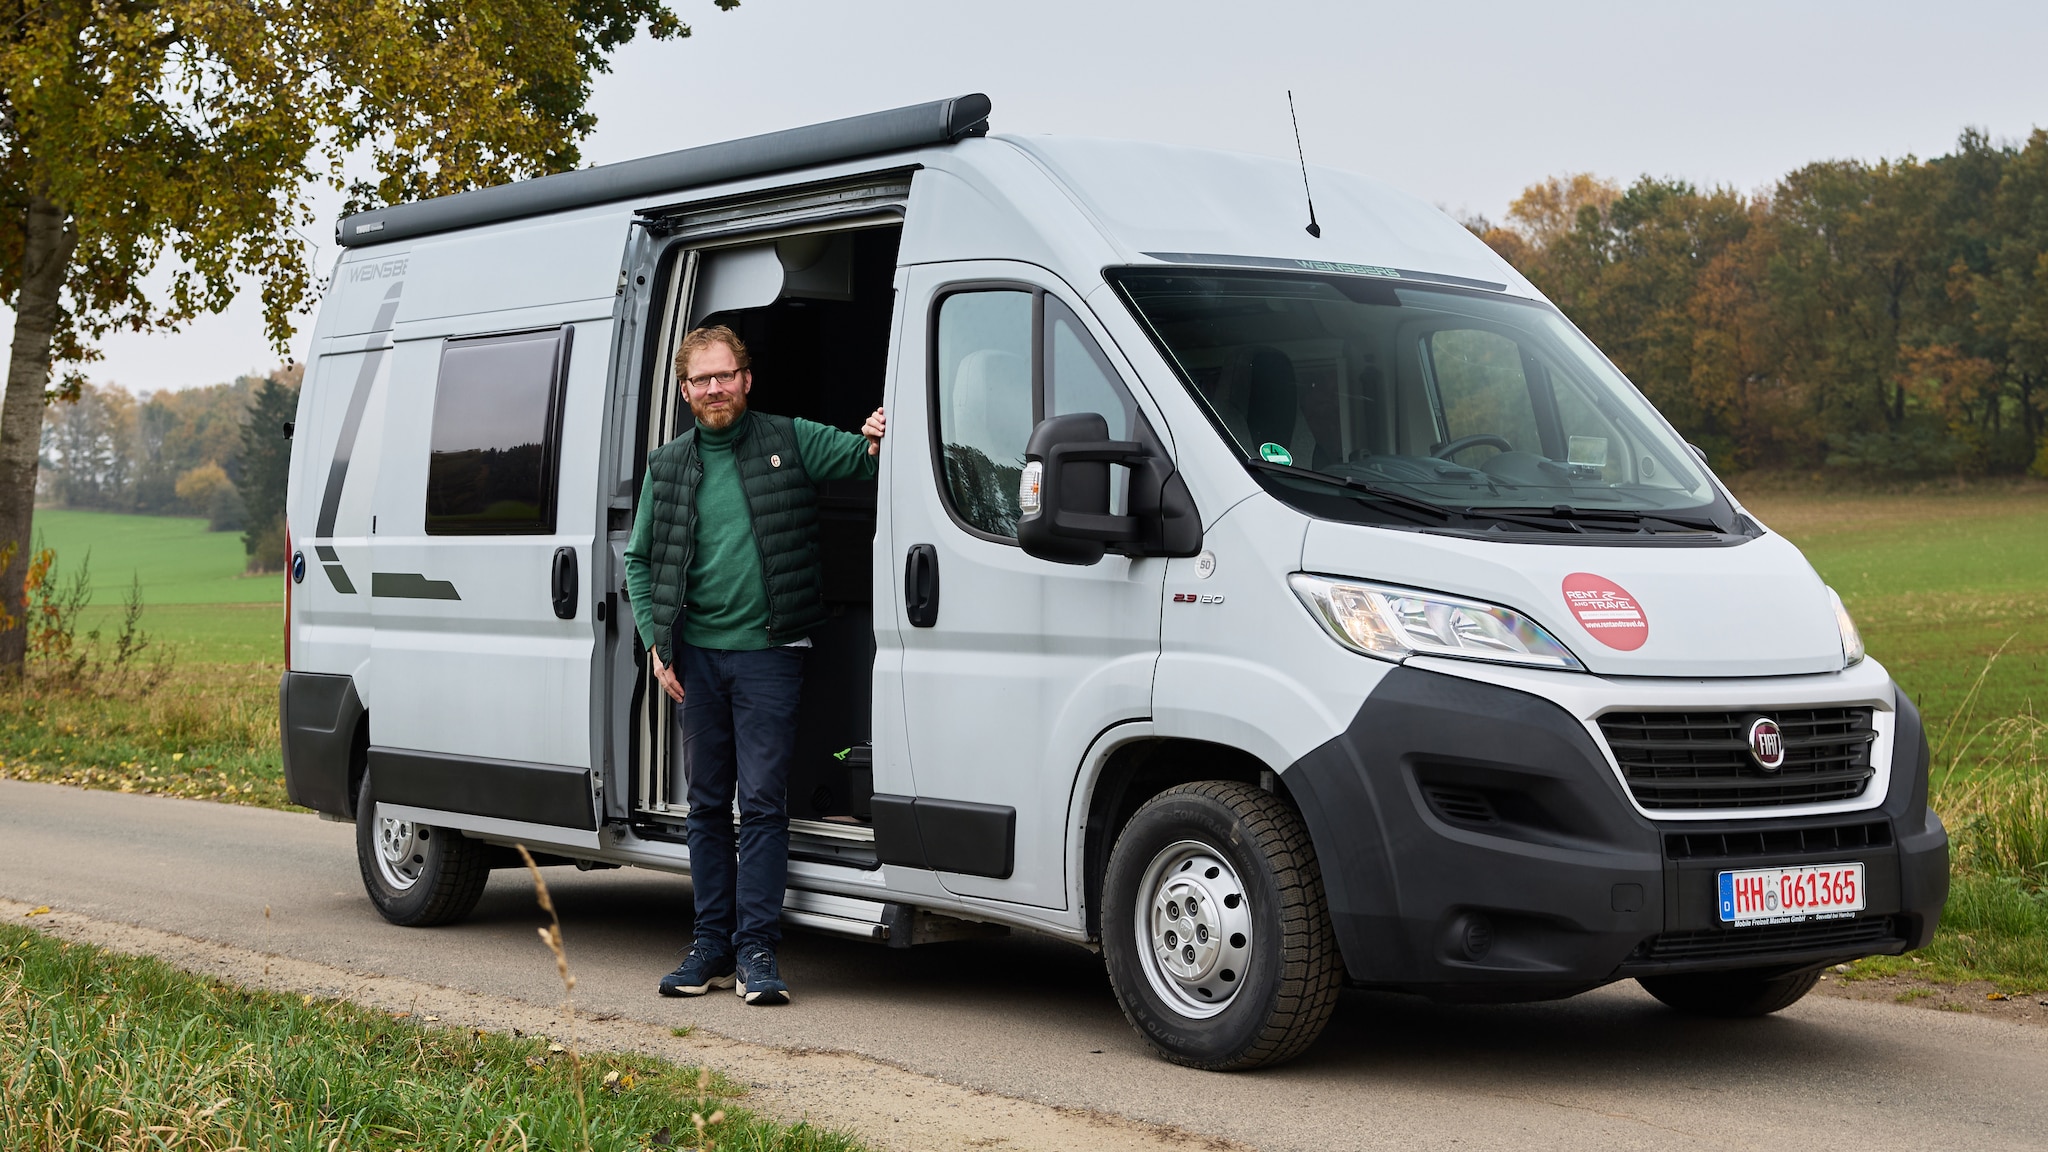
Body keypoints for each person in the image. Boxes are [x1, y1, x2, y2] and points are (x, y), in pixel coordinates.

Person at [623, 325, 885, 1006]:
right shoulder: (669, 464)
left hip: (772, 653)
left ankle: (757, 952)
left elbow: (866, 459)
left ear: (747, 379)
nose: (715, 389)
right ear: (685, 392)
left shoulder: (789, 440)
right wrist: (658, 643)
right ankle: (709, 946)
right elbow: (641, 559)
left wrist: (882, 432)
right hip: (697, 660)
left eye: (725, 375)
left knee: (764, 805)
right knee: (708, 807)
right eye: (702, 380)